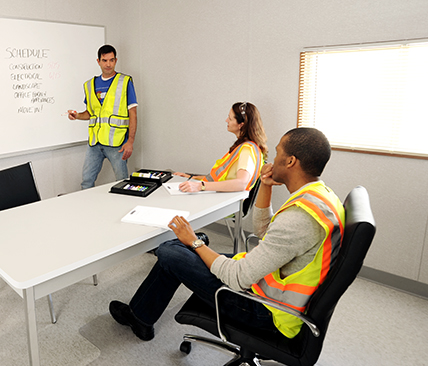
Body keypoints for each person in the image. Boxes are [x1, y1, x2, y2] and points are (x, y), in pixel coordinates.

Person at [109, 127, 345, 341]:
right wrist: (265, 184)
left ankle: (143, 311)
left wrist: (193, 243)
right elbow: (266, 234)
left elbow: (236, 277)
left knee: (168, 250)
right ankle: (140, 317)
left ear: (291, 161)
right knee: (179, 251)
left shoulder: (300, 218)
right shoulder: (320, 197)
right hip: (268, 283)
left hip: (266, 309)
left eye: (278, 152)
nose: (272, 159)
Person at [68, 45, 138, 189]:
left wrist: (130, 141)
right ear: (98, 61)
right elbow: (90, 113)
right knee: (86, 181)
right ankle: (87, 210)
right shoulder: (89, 85)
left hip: (117, 143)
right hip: (94, 144)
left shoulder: (125, 82)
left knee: (123, 183)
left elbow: (133, 113)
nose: (108, 64)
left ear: (116, 60)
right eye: (104, 60)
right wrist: (77, 116)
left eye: (111, 60)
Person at [175, 102, 268, 193]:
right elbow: (219, 179)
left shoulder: (247, 150)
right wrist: (190, 178)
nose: (226, 120)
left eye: (230, 119)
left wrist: (200, 186)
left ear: (241, 125)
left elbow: (241, 183)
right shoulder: (246, 147)